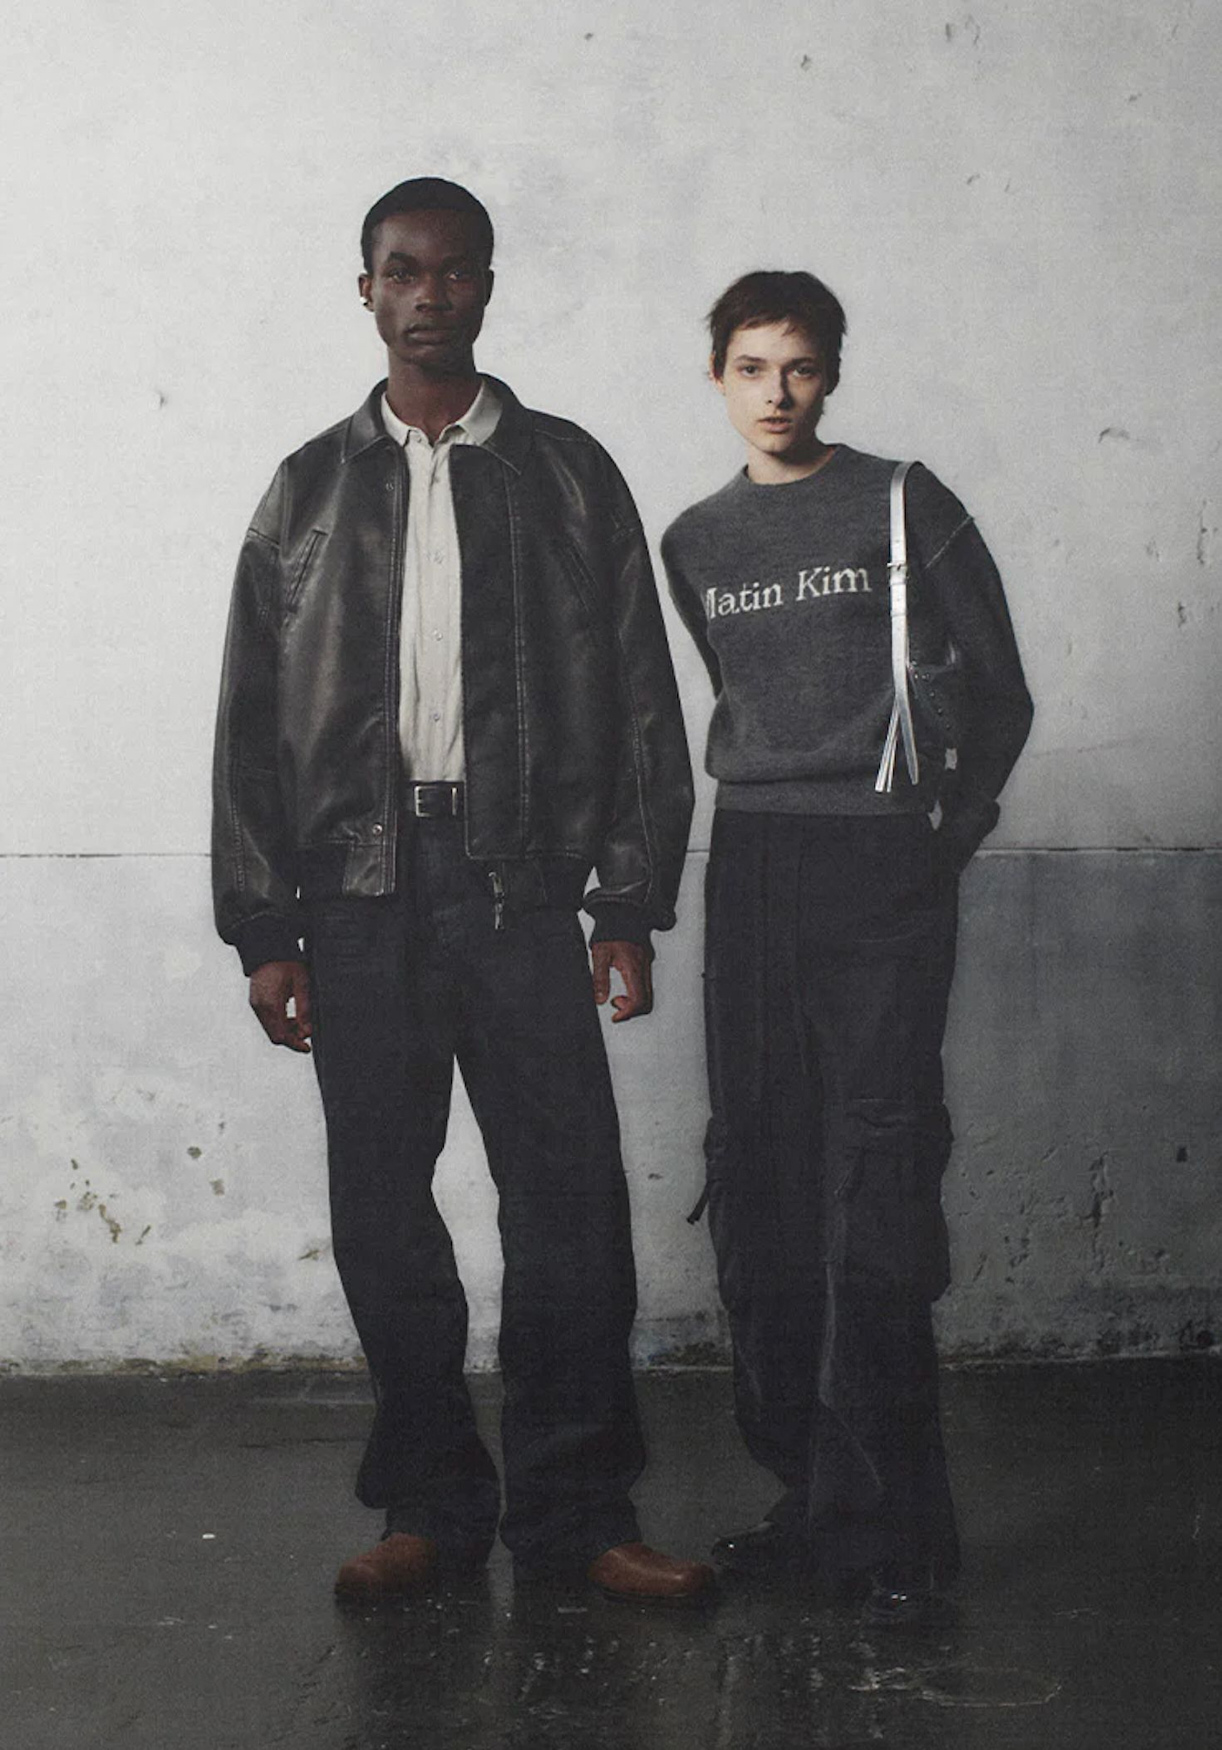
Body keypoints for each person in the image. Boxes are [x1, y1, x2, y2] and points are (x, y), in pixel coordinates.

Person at [212, 178, 712, 1606]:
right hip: (357, 897)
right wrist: (265, 925)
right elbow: (251, 714)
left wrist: (627, 903)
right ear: (365, 288)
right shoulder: (308, 490)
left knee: (569, 1207)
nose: (428, 294)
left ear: (487, 286)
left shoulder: (567, 474)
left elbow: (639, 694)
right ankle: (430, 1507)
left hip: (520, 889)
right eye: (403, 270)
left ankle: (579, 1514)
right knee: (385, 1212)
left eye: (454, 271)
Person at [661, 270, 1032, 1625]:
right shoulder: (695, 539)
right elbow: (739, 702)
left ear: (831, 374)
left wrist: (938, 840)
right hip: (753, 863)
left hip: (879, 862)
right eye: (752, 367)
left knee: (871, 1179)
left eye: (801, 366)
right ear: (716, 375)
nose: (778, 392)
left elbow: (998, 693)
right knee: (759, 1172)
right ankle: (806, 1498)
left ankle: (892, 1528)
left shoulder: (901, 502)